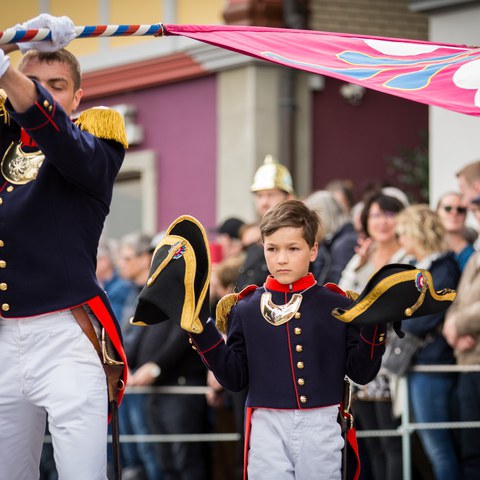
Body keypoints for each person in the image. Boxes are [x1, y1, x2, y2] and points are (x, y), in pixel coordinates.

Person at [0, 14, 128, 480]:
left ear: (76, 98)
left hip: (65, 336)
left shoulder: (95, 147)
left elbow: (63, 139)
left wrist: (8, 70)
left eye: (56, 84)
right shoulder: (3, 144)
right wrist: (8, 38)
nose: (41, 90)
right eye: (34, 81)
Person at [188, 200, 386, 479]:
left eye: (293, 248)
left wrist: (376, 323)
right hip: (267, 425)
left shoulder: (338, 305)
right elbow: (234, 378)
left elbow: (361, 372)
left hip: (322, 423)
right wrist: (201, 330)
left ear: (313, 250)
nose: (281, 259)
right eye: (272, 249)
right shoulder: (244, 308)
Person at [338, 191, 408, 480]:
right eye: (376, 215)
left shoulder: (407, 255)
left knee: (391, 440)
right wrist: (357, 265)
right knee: (369, 441)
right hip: (361, 355)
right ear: (365, 221)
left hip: (391, 357)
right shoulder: (361, 259)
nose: (382, 222)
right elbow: (342, 299)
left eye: (389, 214)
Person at [395, 204, 461, 480]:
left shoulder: (443, 267)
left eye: (403, 232)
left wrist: (398, 316)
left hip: (432, 365)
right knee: (422, 443)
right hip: (416, 362)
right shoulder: (415, 266)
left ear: (417, 232)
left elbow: (423, 316)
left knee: (438, 446)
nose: (399, 238)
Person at [443, 190, 480, 480]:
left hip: (475, 360)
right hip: (467, 361)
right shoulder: (475, 255)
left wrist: (459, 326)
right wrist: (452, 328)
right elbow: (457, 302)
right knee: (469, 448)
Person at [303, 189, 357, 284]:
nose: (308, 226)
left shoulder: (344, 243)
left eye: (310, 220)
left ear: (322, 217)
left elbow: (336, 286)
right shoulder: (331, 242)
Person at [436, 191, 475, 271]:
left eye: (460, 209)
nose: (454, 213)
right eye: (448, 208)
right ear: (437, 212)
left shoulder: (472, 257)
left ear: (466, 215)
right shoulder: (429, 252)